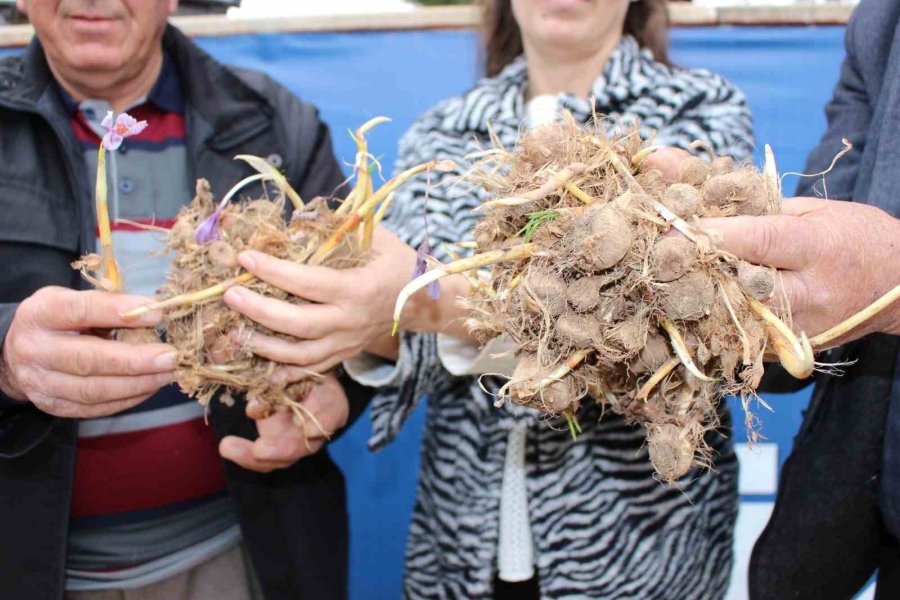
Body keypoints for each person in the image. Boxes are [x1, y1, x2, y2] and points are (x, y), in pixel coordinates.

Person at [226, 0, 754, 597]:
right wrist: (339, 334)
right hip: (462, 539)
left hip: (639, 544)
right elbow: (411, 341)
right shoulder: (444, 130)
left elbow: (654, 322)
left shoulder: (696, 112)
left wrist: (429, 298)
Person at [0, 1, 370, 599]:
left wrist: (328, 388)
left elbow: (362, 306)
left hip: (235, 556)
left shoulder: (272, 123)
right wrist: (5, 359)